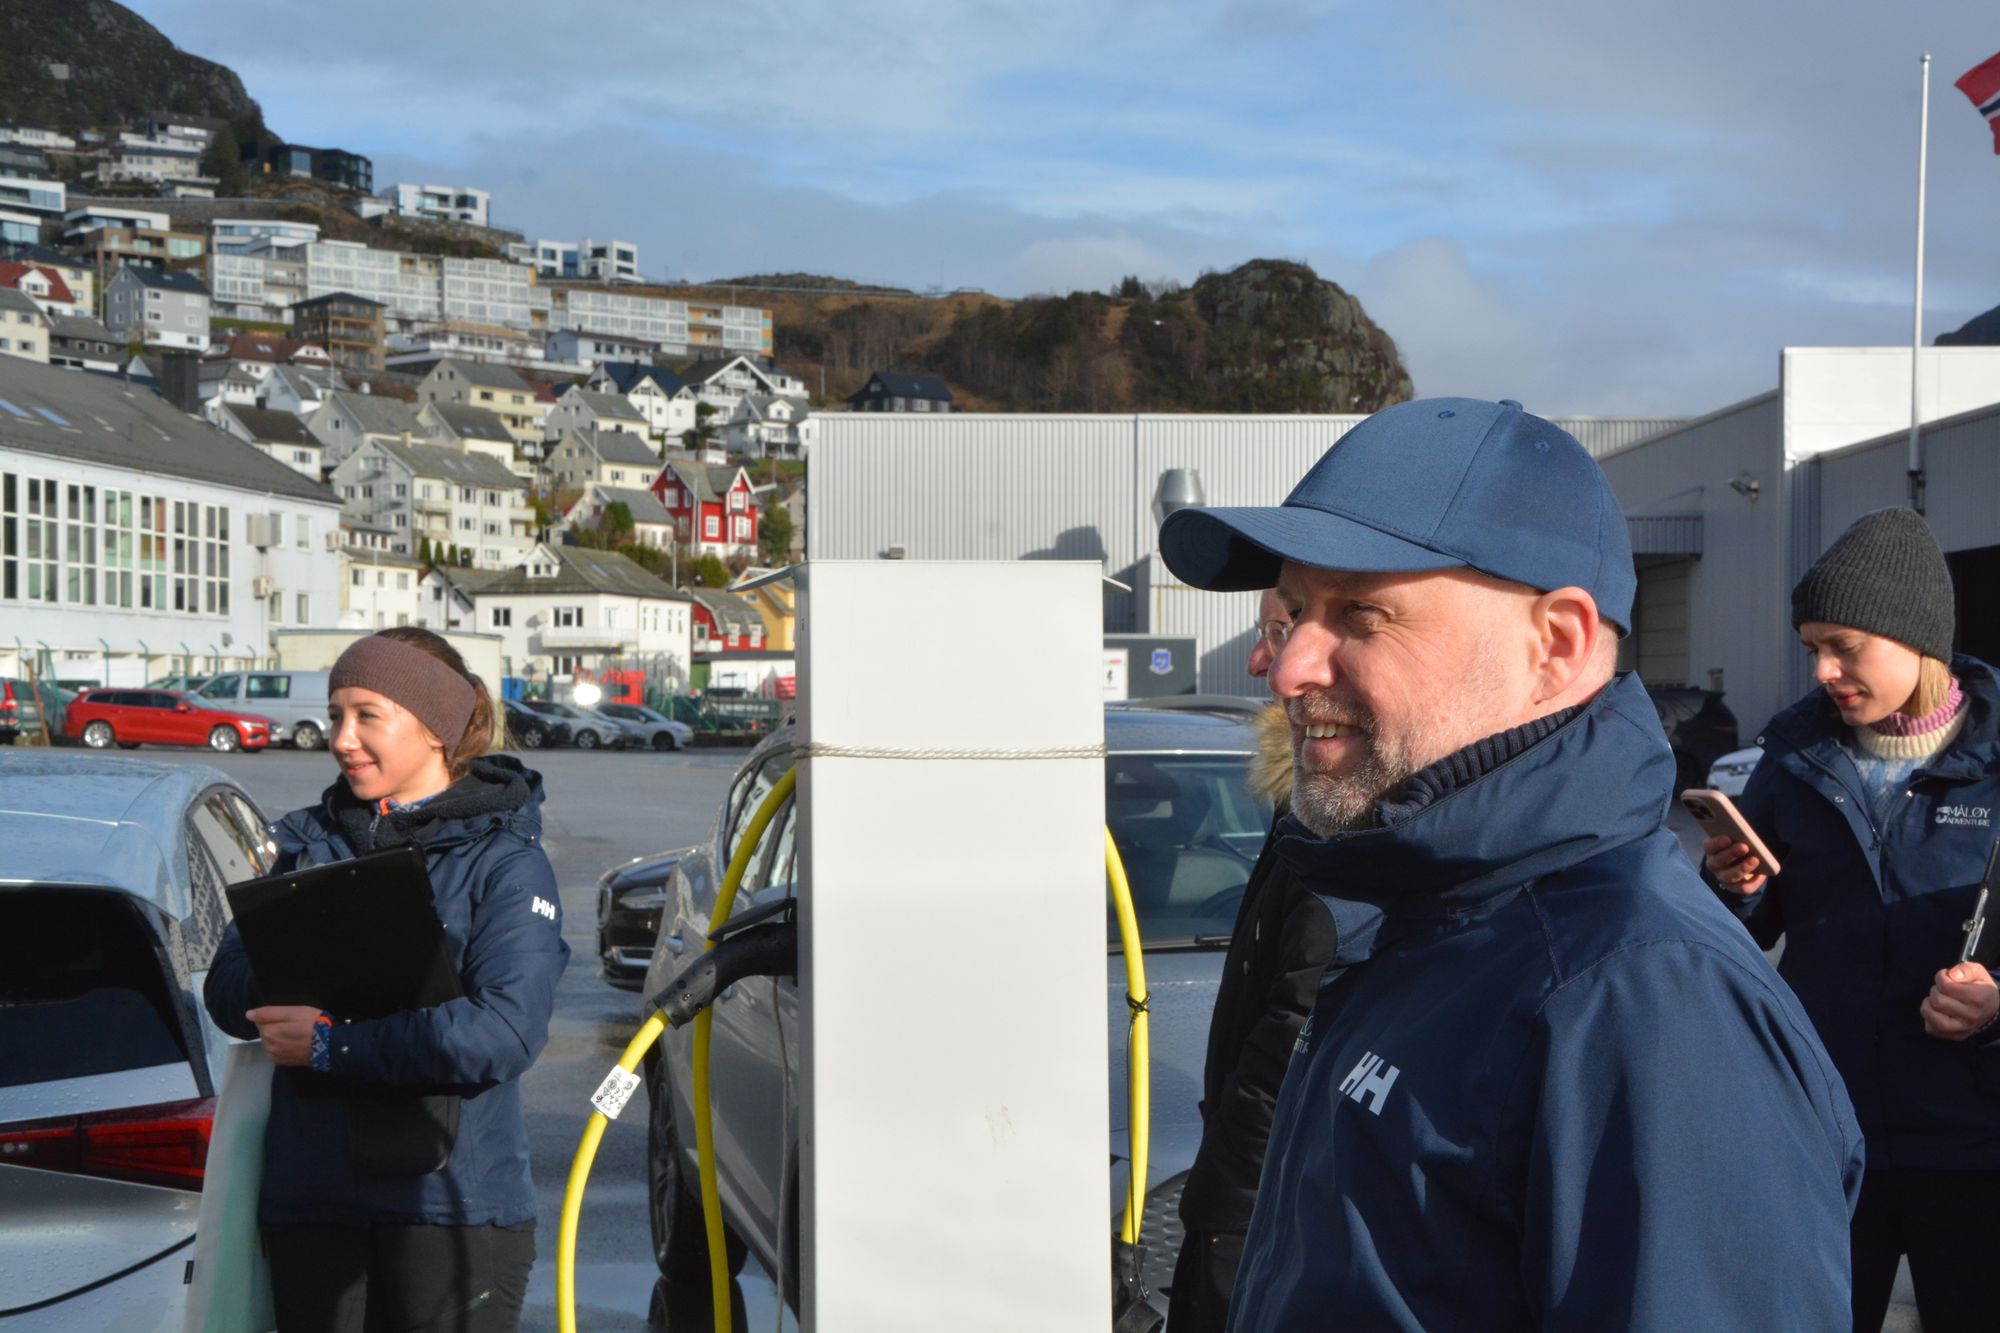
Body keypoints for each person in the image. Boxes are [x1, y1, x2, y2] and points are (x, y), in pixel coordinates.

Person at [1158, 397, 1863, 1331]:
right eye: (1296, 612)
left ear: (1557, 644)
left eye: (1361, 611)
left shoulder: (1646, 1001)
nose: (1290, 668)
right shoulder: (1431, 915)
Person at [204, 628, 568, 1333]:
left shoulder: (506, 862)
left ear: (435, 728)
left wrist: (332, 1044)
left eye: (368, 715)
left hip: (453, 1210)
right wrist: (303, 971)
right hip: (312, 1201)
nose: (342, 738)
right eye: (337, 714)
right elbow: (228, 982)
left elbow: (502, 1031)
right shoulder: (306, 840)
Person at [1704, 507, 2000, 1333]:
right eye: (1812, 649)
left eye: (1845, 645)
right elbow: (1748, 933)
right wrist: (1733, 885)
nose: (1825, 669)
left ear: (1917, 639)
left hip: (1975, 1151)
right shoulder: (1793, 759)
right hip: (1826, 1138)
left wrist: (1994, 1008)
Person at [1166, 591, 1337, 1333]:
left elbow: (1297, 1011)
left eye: (1277, 628)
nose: (1262, 662)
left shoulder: (1342, 808)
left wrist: (1225, 1204)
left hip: (1259, 1214)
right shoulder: (1300, 803)